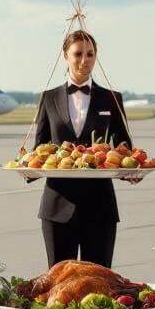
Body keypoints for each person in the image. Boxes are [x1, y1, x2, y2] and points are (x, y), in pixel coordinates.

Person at [30, 30, 134, 268]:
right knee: (58, 283)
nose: (84, 60)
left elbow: (125, 149)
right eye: (78, 54)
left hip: (100, 207)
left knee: (98, 282)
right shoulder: (48, 97)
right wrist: (27, 168)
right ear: (65, 55)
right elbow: (39, 149)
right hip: (57, 207)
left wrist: (131, 173)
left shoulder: (112, 98)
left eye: (90, 54)